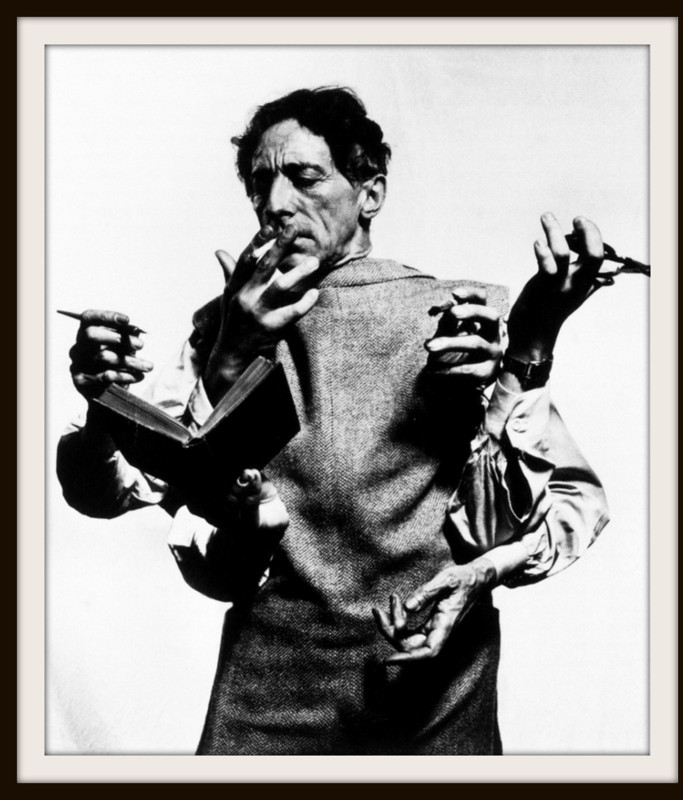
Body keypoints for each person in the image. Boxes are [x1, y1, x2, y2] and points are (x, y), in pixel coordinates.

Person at [57, 86, 609, 755]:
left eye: (304, 177)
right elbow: (108, 492)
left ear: (369, 193)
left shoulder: (461, 320)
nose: (275, 203)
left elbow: (564, 508)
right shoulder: (226, 324)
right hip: (267, 694)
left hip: (435, 698)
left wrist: (525, 357)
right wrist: (107, 402)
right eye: (260, 183)